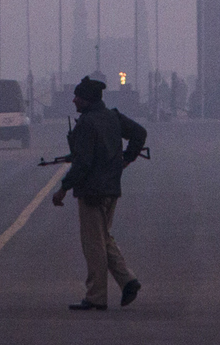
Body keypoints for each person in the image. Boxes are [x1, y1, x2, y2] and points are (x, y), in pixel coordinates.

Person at [51, 76, 146, 310]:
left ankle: (96, 296)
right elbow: (139, 133)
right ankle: (128, 281)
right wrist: (127, 158)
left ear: (86, 100)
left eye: (77, 97)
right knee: (103, 238)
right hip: (112, 188)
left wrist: (63, 188)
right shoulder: (113, 117)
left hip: (92, 191)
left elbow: (82, 163)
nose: (73, 100)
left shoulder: (87, 124)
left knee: (93, 244)